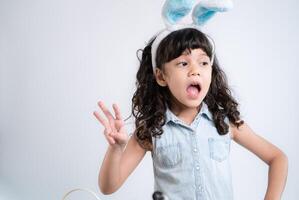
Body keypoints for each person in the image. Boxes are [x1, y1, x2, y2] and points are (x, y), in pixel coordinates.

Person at [93, 1, 288, 199]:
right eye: (183, 63)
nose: (195, 70)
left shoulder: (225, 121)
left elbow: (277, 158)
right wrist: (116, 149)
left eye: (203, 62)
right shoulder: (151, 129)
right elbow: (108, 186)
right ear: (161, 76)